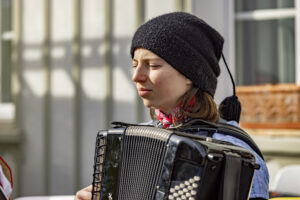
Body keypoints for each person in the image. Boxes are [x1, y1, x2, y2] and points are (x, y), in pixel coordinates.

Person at [75, 12, 269, 200]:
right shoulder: (136, 139)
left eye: (152, 65)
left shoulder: (234, 152)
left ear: (190, 76)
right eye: (135, 65)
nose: (136, 76)